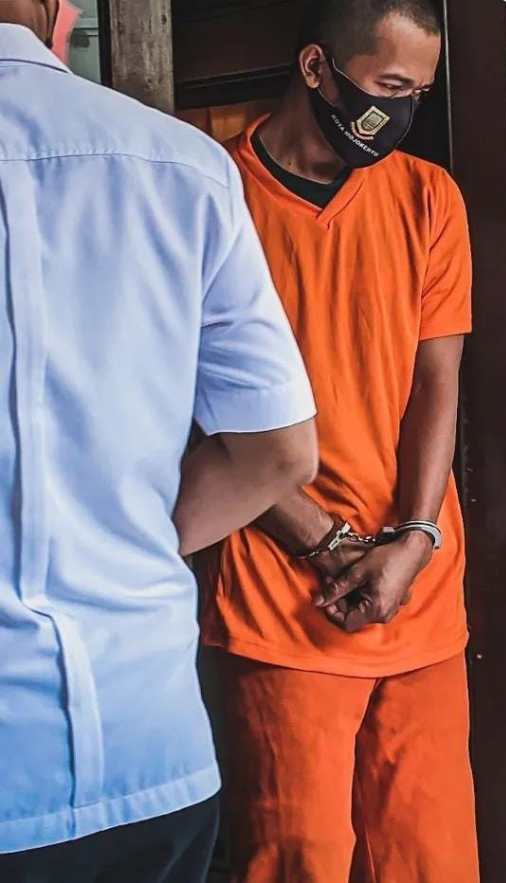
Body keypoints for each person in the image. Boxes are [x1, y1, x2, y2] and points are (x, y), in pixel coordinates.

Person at [0, 3, 320, 881]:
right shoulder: (182, 165)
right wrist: (121, 538)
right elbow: (280, 449)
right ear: (57, 12)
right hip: (152, 753)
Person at [197, 1, 479, 880]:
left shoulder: (428, 196)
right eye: (389, 87)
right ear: (317, 67)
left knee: (432, 858)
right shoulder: (211, 194)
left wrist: (416, 536)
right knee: (299, 859)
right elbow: (190, 411)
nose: (400, 113)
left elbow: (437, 383)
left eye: (418, 95)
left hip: (415, 587)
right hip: (281, 595)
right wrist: (323, 541)